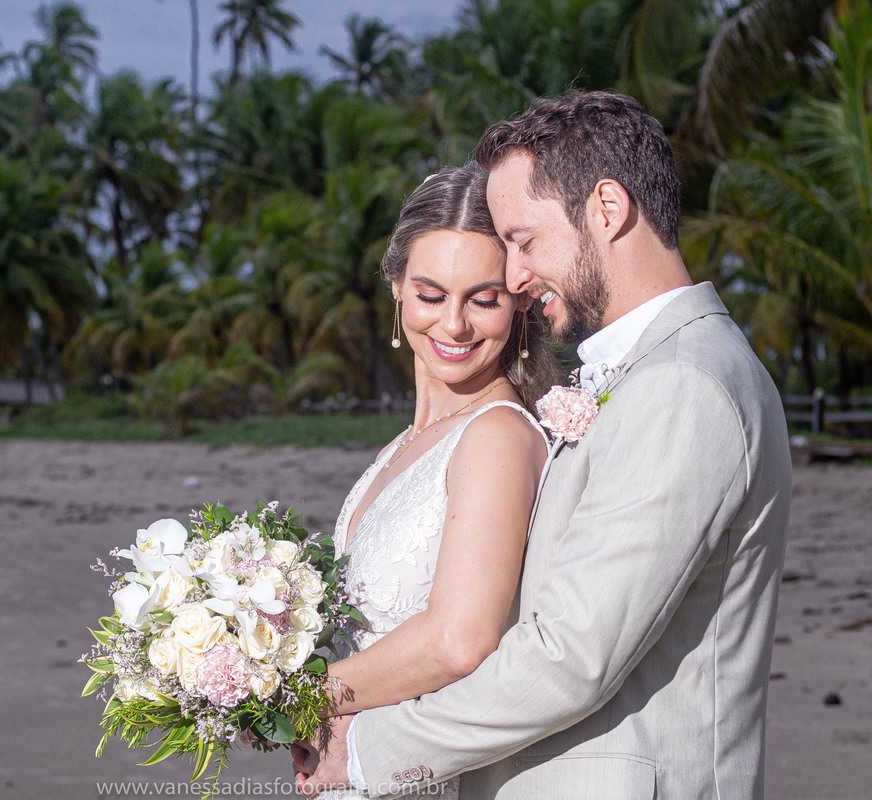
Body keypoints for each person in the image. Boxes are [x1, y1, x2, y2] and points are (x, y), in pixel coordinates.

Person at [295, 91, 793, 799]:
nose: (518, 277)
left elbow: (571, 653)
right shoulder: (652, 373)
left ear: (608, 209)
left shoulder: (684, 384)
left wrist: (372, 750)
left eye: (524, 241)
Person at [300, 163, 560, 800]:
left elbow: (458, 640)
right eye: (431, 294)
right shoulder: (409, 443)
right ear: (396, 289)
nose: (454, 325)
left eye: (483, 298)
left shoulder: (497, 434)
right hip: (353, 767)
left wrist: (299, 699)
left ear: (518, 301)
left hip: (413, 771)